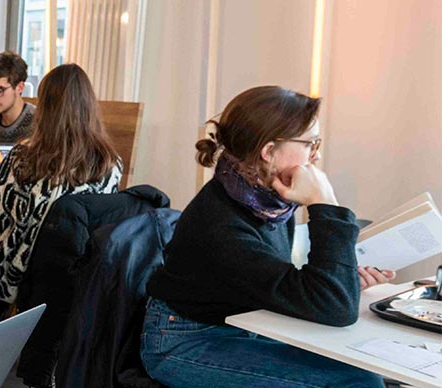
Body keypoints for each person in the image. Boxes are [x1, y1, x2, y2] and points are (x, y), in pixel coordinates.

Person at [142, 86, 394, 388]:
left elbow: (290, 287)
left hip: (246, 325)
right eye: (310, 144)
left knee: (367, 369)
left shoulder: (268, 204)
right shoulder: (222, 227)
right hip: (187, 342)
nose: (317, 155)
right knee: (357, 382)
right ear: (269, 151)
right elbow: (335, 309)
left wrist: (345, 282)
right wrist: (325, 203)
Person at [0, 64, 122, 305]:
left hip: (23, 278)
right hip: (83, 281)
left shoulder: (24, 156)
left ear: (44, 107)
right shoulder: (111, 163)